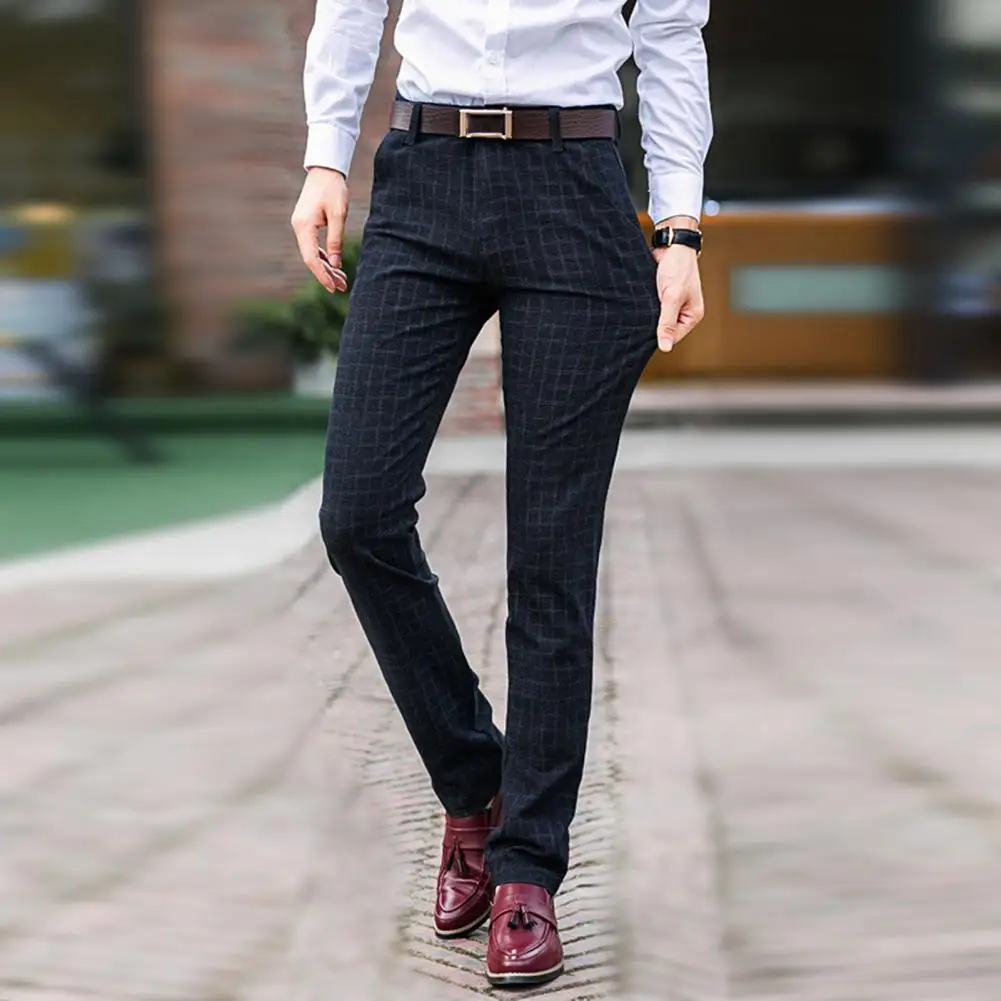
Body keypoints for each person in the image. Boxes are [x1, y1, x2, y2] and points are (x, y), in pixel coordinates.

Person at [292, 0, 711, 987]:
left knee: (549, 558)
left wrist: (680, 227)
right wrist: (324, 157)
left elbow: (669, 37)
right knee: (356, 515)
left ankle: (526, 867)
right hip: (422, 179)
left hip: (574, 186)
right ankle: (472, 780)